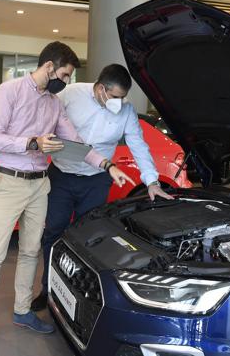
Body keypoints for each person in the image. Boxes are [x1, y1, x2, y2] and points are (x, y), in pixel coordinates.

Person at [0, 43, 134, 349]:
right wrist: (33, 143)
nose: (67, 81)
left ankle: (22, 311)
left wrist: (107, 165)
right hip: (8, 181)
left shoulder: (54, 103)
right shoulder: (10, 91)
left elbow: (74, 142)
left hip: (39, 184)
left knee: (31, 251)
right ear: (49, 67)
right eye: (64, 74)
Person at [31, 63, 174, 311]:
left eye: (123, 97)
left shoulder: (126, 111)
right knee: (54, 232)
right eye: (115, 96)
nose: (119, 102)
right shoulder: (71, 94)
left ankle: (78, 292)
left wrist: (151, 181)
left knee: (89, 238)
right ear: (100, 88)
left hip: (97, 180)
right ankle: (48, 287)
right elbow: (45, 120)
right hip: (62, 177)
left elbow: (138, 144)